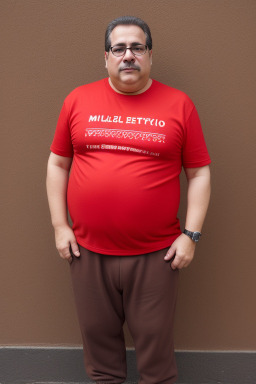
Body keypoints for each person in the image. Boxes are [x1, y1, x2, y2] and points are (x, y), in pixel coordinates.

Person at [46, 16, 211, 384]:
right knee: (101, 362)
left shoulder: (179, 104)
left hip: (156, 255)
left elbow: (199, 173)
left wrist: (192, 234)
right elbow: (58, 164)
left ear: (150, 55)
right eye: (119, 48)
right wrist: (60, 227)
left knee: (156, 362)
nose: (128, 56)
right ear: (106, 57)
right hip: (87, 252)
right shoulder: (77, 99)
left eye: (137, 47)